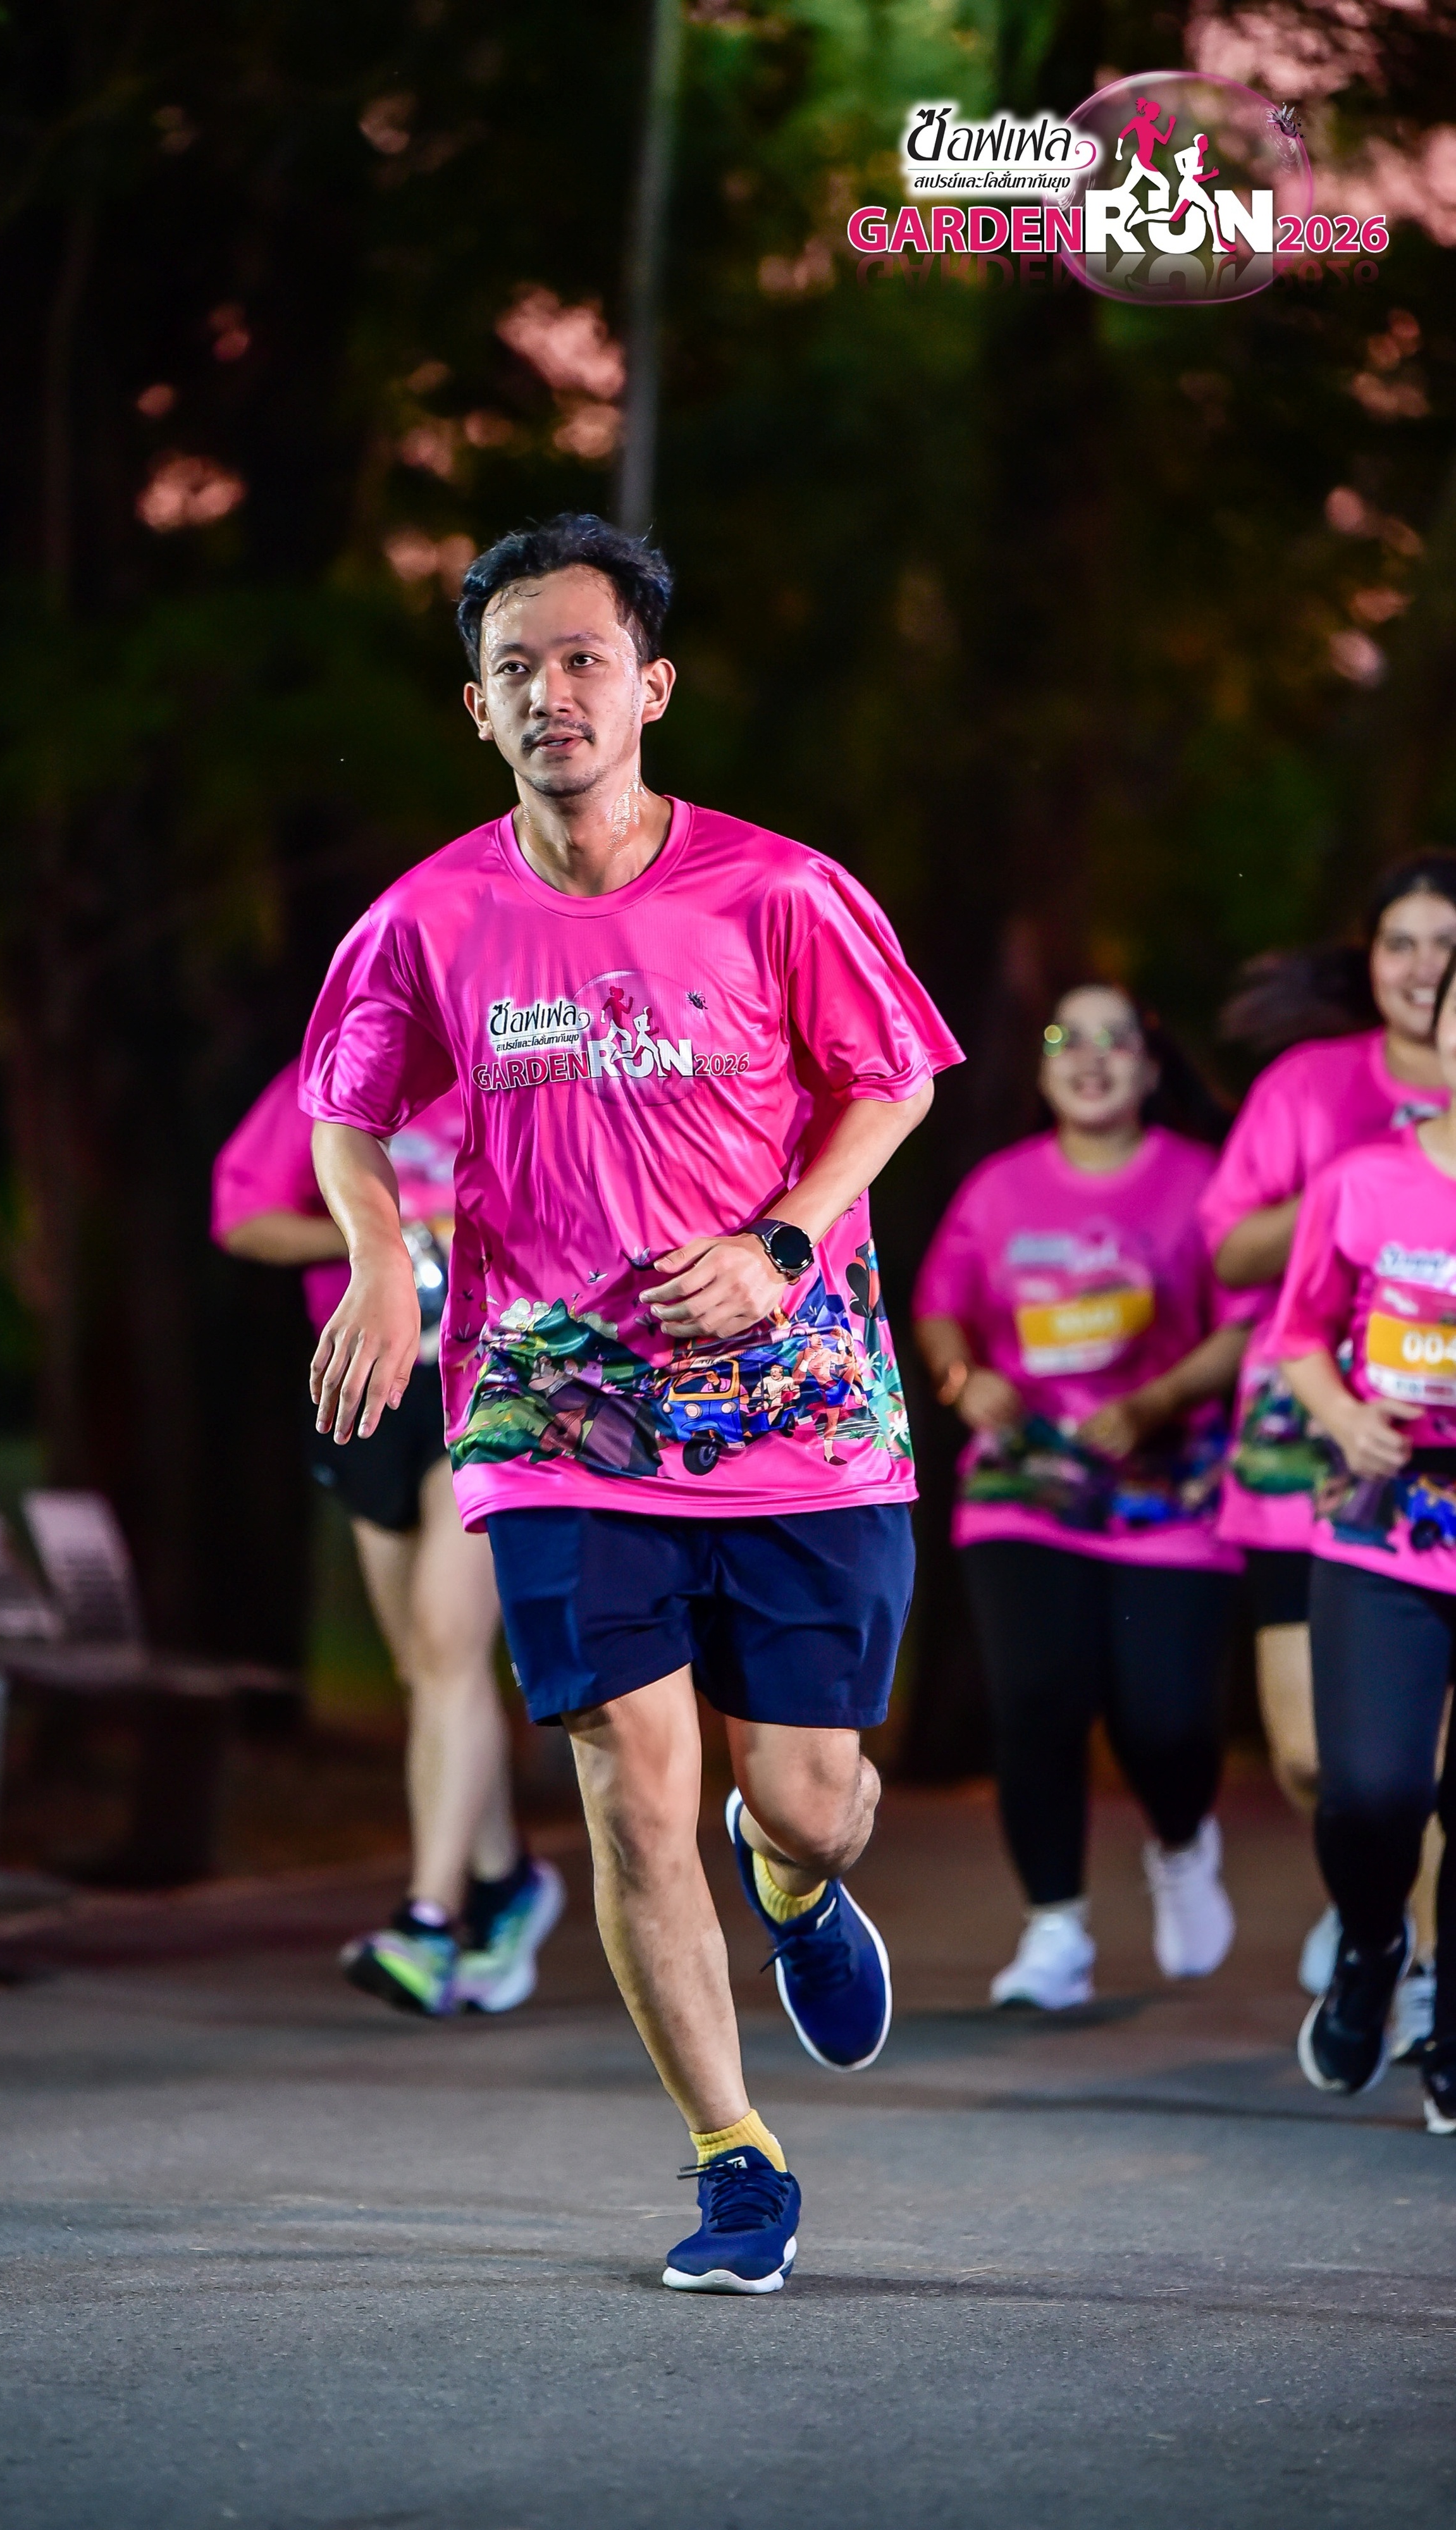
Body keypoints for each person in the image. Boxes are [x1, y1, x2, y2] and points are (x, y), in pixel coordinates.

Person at [299, 512, 960, 2293]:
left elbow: (891, 1080)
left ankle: (795, 1876)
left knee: (806, 1795)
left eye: (584, 658)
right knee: (628, 1779)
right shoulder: (428, 916)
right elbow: (343, 1109)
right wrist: (379, 1257)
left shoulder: (779, 889)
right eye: (514, 667)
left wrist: (782, 1241)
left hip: (792, 1401)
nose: (552, 693)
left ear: (652, 685)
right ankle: (734, 2156)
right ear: (476, 706)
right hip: (549, 1404)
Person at [913, 985, 1250, 2008]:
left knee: (1165, 1723)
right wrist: (964, 1381)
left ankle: (1182, 1844)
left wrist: (1157, 1401)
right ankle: (1053, 1929)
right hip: (1026, 1481)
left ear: (1149, 1068)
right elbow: (940, 1311)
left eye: (1117, 1039)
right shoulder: (998, 1189)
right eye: (1068, 1037)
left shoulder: (1202, 1181)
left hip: (1170, 1483)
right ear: (1044, 1066)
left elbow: (1246, 1325)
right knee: (1036, 1702)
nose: (1091, 1056)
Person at [212, 1068, 563, 2016]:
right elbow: (243, 1218)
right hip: (369, 1383)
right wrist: (382, 1237)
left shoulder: (519, 1059)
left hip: (492, 1383)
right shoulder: (330, 1078)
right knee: (424, 1670)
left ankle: (426, 1922)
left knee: (449, 1647)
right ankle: (503, 1882)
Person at [1202, 858, 1456, 2053]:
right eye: (1400, 942)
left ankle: (1426, 1988)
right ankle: (1374, 1909)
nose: (1419, 966)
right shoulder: (1314, 1094)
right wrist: (1355, 1198)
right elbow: (1231, 1260)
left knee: (1424, 1768)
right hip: (1314, 1446)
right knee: (1324, 1763)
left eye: (1441, 942)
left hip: (1430, 1476)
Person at [1271, 944, 1456, 2132]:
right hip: (1381, 1520)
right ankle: (1373, 1943)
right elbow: (1297, 1336)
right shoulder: (1362, 1182)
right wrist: (1343, 1416)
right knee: (1373, 1793)